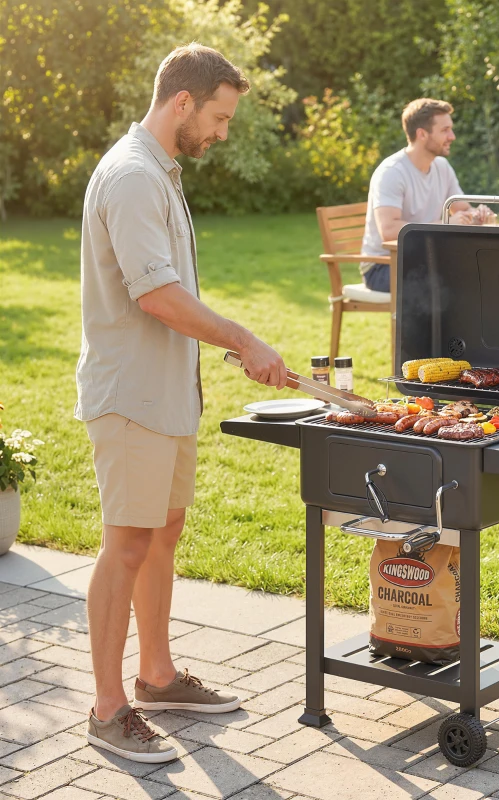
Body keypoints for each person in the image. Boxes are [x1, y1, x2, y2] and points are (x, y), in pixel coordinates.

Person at [75, 43, 288, 764]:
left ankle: (157, 676)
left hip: (166, 395)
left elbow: (169, 289)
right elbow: (156, 296)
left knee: (163, 532)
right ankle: (109, 711)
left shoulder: (159, 171)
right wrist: (245, 338)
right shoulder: (134, 176)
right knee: (127, 544)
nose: (222, 134)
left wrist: (229, 346)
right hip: (132, 397)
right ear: (184, 102)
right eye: (220, 118)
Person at [360, 98, 492, 292]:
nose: (452, 136)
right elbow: (388, 230)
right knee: (451, 283)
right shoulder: (392, 172)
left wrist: (477, 215)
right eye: (445, 130)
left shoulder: (442, 167)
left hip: (425, 260)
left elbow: (463, 209)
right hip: (384, 266)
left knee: (482, 271)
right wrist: (445, 225)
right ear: (422, 134)